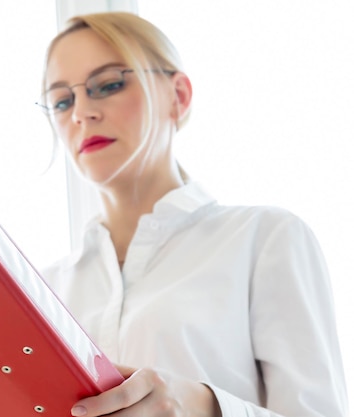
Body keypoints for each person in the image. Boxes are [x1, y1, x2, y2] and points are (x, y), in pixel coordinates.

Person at [37, 12, 348, 417]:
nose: (81, 113)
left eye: (109, 84)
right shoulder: (44, 289)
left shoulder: (265, 238)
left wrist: (207, 406)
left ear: (178, 96)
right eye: (62, 100)